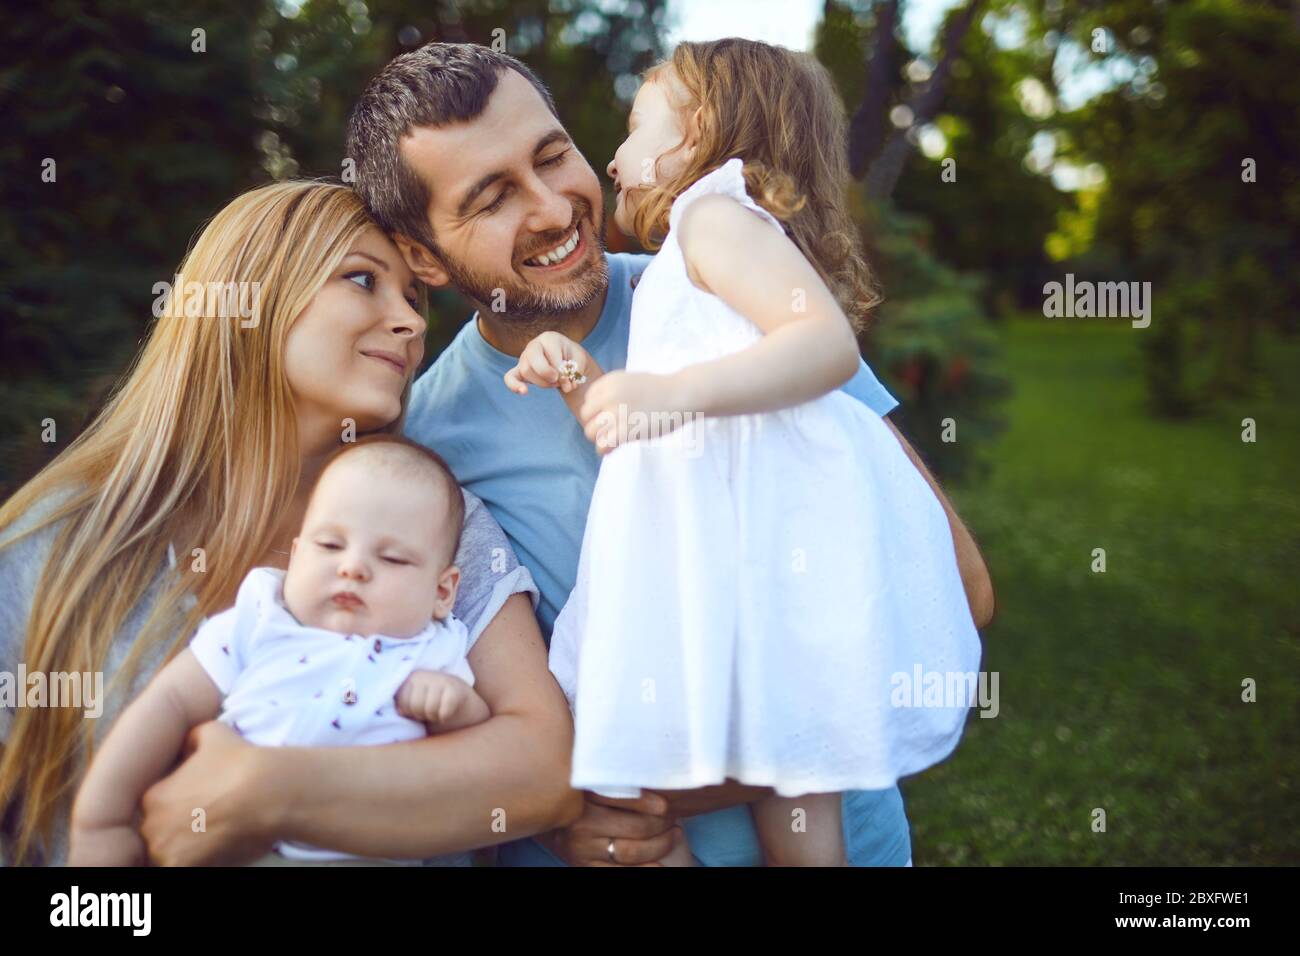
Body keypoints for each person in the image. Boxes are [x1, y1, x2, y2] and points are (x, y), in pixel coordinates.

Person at [346, 41, 994, 865]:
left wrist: (620, 791)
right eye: (492, 198)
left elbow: (958, 589)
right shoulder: (427, 451)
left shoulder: (731, 294)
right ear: (424, 257)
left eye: (553, 156)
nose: (551, 208)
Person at [0, 181, 579, 866]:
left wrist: (271, 789)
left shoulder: (434, 516)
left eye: (415, 300)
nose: (412, 323)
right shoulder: (55, 544)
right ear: (250, 298)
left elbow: (543, 769)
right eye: (362, 280)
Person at [69, 437, 490, 866]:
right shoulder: (261, 619)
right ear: (296, 554)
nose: (352, 567)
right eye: (329, 546)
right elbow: (169, 702)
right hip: (239, 847)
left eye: (393, 559)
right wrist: (101, 822)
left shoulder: (433, 647)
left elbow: (478, 750)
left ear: (442, 591)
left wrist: (455, 705)